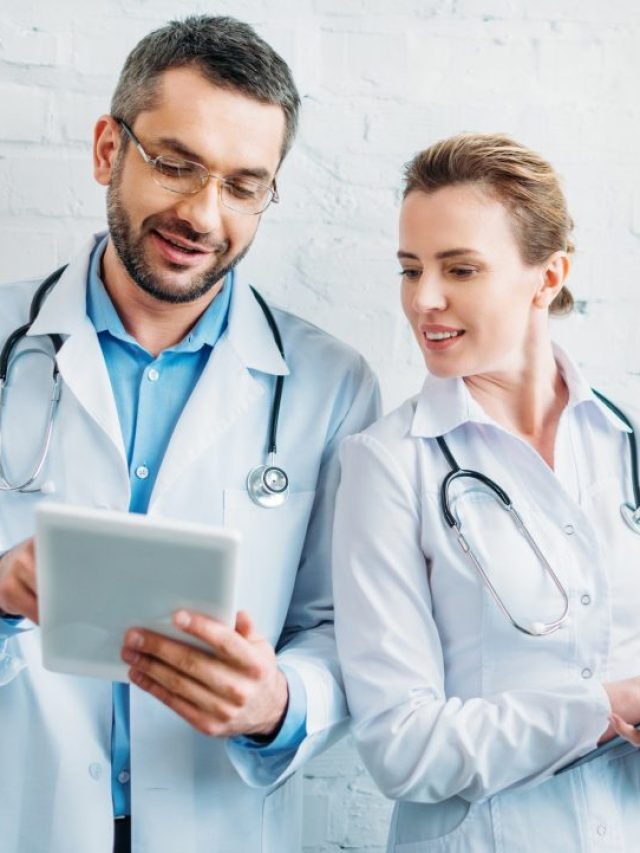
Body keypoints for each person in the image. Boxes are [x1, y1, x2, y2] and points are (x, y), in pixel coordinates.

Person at [0, 15, 380, 853]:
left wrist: (279, 702)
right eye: (176, 164)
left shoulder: (329, 385)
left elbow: (345, 630)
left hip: (218, 817)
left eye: (245, 185)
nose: (204, 214)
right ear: (108, 149)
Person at [333, 133, 640, 852]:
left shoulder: (624, 443)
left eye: (459, 268)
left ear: (548, 276)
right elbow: (401, 745)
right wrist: (603, 709)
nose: (424, 300)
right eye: (411, 270)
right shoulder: (389, 465)